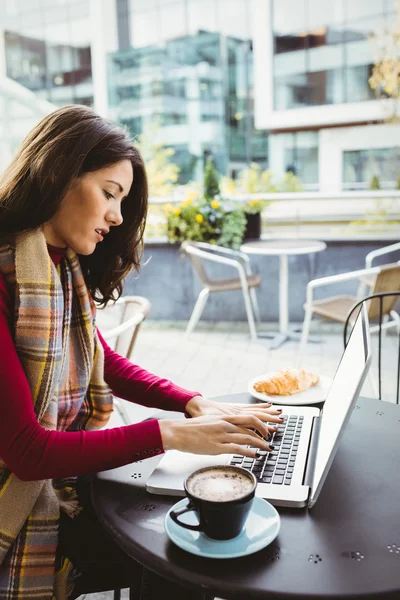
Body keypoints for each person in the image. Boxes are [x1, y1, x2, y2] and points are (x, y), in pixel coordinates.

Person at [0, 105, 282, 600]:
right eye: (109, 193)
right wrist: (172, 435)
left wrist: (193, 403)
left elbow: (104, 360)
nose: (117, 215)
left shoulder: (58, 266)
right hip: (17, 498)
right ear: (57, 173)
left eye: (123, 200)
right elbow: (27, 452)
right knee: (183, 555)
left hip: (58, 482)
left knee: (183, 536)